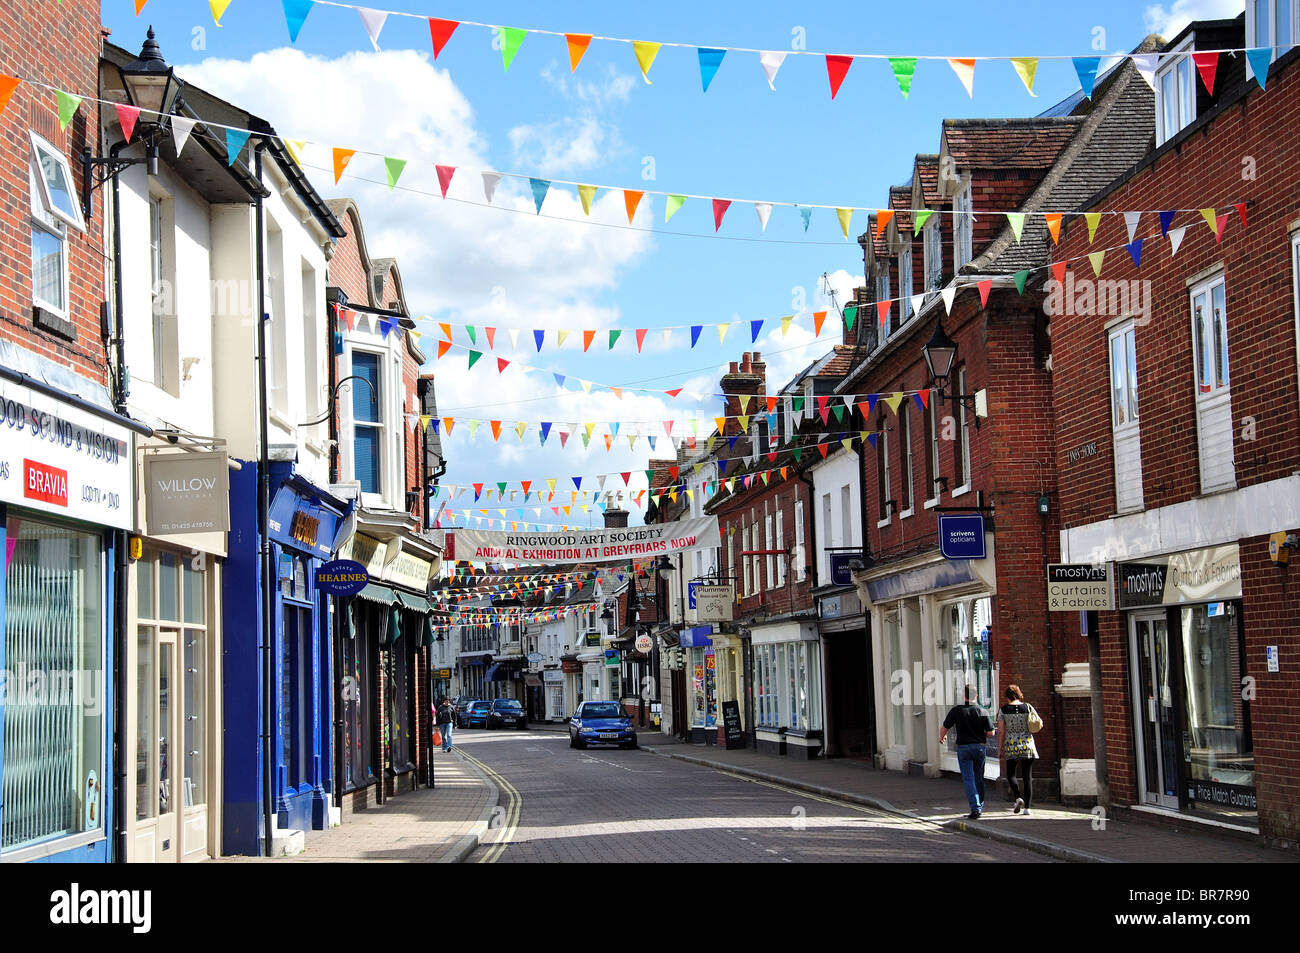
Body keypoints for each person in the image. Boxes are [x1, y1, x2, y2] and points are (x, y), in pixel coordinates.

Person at [940, 685, 995, 819]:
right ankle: (979, 806)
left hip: (964, 748)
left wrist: (942, 737)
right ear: (976, 696)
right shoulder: (982, 711)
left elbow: (944, 727)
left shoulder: (956, 711)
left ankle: (975, 807)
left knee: (968, 778)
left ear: (963, 695)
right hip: (979, 747)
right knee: (979, 778)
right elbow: (991, 733)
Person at [996, 684, 1039, 815]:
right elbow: (1036, 722)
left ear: (1007, 696)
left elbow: (1001, 731)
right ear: (1019, 694)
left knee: (1010, 774)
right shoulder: (1028, 707)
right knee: (1027, 777)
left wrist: (1000, 748)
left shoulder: (1003, 710)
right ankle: (1028, 808)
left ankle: (1018, 797)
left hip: (1012, 745)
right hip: (1028, 745)